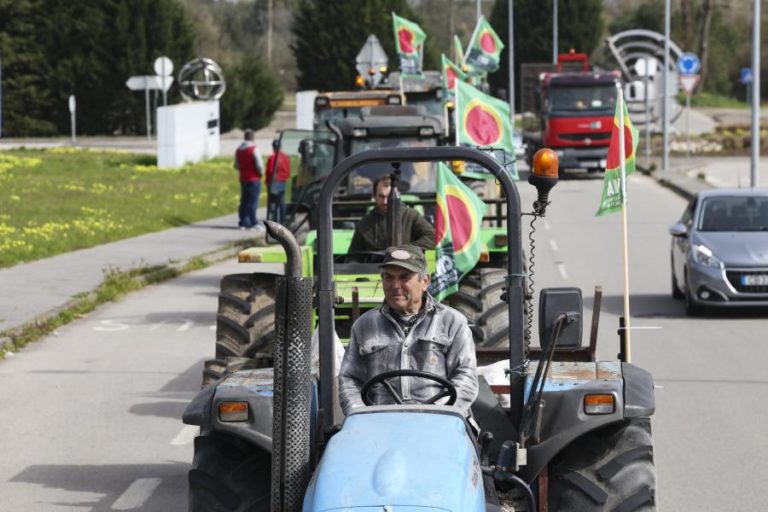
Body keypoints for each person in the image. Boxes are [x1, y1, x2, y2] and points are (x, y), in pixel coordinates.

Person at [339, 244, 478, 415]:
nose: (395, 285)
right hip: (380, 424)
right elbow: (350, 379)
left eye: (404, 278)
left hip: (438, 423)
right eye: (389, 277)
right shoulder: (364, 325)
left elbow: (465, 376)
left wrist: (441, 413)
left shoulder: (452, 322)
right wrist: (360, 414)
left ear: (425, 281)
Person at [347, 176, 435, 254]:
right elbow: (353, 256)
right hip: (375, 269)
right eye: (381, 197)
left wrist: (406, 250)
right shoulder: (364, 224)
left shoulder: (411, 216)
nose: (385, 202)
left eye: (389, 197)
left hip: (407, 268)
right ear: (374, 196)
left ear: (398, 195)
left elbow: (432, 237)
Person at [234, 129, 265, 230]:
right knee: (253, 200)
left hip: (243, 177)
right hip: (253, 177)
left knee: (244, 200)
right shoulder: (254, 149)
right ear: (253, 138)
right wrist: (261, 173)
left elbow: (236, 165)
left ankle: (243, 221)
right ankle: (253, 222)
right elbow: (259, 164)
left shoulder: (238, 150)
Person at [266, 139, 291, 224]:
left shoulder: (273, 157)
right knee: (281, 200)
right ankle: (283, 218)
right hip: (282, 181)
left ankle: (274, 219)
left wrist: (267, 182)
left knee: (273, 202)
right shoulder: (285, 157)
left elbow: (269, 171)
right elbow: (288, 171)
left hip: (274, 182)